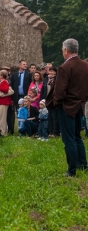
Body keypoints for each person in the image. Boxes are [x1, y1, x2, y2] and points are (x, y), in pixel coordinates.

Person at [51, 38, 88, 177]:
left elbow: (59, 91)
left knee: (69, 139)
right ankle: (83, 165)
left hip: (66, 107)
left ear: (66, 50)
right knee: (78, 137)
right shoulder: (85, 65)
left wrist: (57, 103)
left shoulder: (65, 67)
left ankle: (72, 170)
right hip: (80, 105)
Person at [0, 70, 12, 136]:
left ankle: (3, 133)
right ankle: (2, 131)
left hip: (3, 102)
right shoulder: (1, 82)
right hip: (0, 102)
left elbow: (5, 90)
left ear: (1, 76)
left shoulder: (4, 82)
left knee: (2, 118)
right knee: (0, 118)